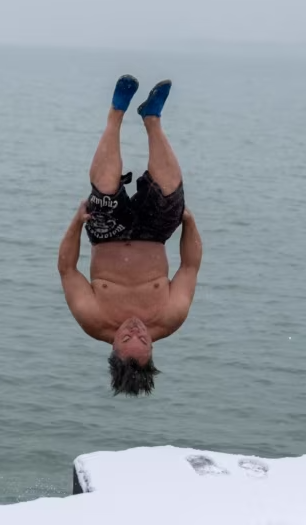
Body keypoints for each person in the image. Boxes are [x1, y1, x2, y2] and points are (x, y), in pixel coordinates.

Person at [57, 75, 203, 397]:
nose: (136, 330)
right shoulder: (171, 317)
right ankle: (152, 118)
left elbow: (67, 270)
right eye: (144, 340)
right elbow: (190, 268)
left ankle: (116, 114)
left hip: (106, 236)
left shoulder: (92, 319)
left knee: (106, 189)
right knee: (171, 192)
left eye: (127, 339)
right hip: (155, 235)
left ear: (113, 348)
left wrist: (77, 223)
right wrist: (189, 223)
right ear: (153, 348)